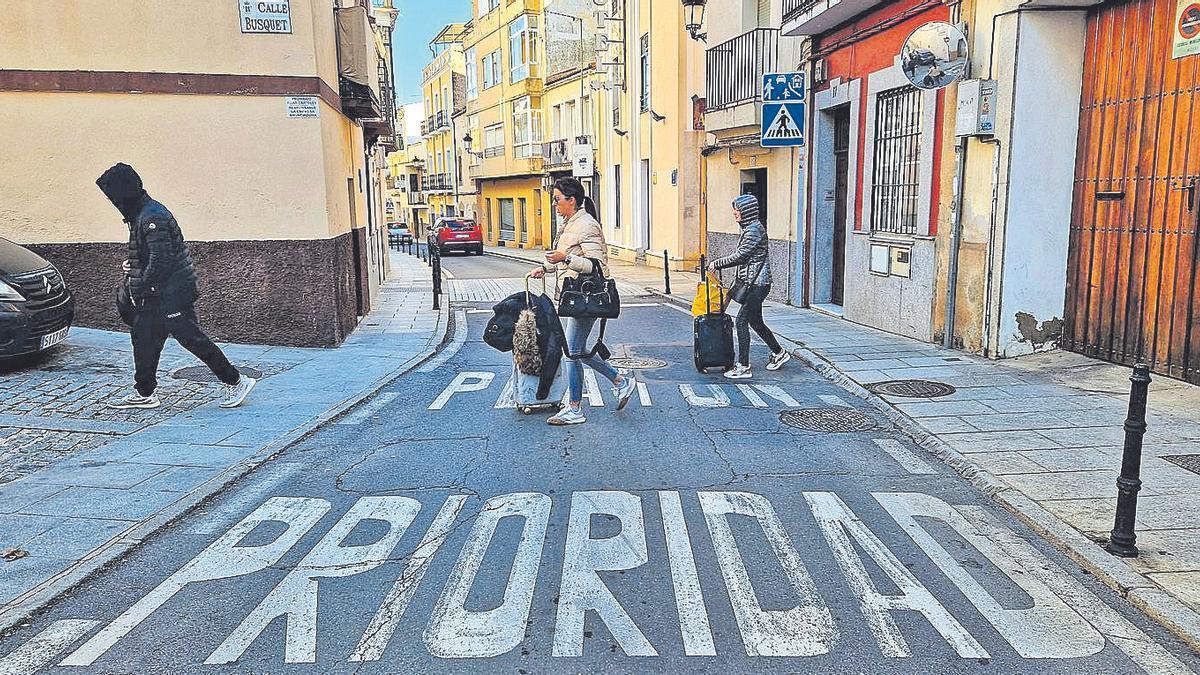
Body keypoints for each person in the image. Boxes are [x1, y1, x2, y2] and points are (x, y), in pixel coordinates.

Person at [96, 163, 256, 410]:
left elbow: (162, 261)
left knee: (192, 338)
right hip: (157, 293)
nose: (111, 201)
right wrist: (134, 266)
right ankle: (145, 392)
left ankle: (236, 381)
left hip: (171, 293)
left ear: (122, 192)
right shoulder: (142, 213)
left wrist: (139, 283)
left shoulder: (152, 217)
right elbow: (153, 256)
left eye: (112, 195)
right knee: (143, 337)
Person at [532, 177, 635, 425]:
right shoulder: (571, 223)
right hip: (576, 297)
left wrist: (565, 258)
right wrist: (545, 268)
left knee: (572, 352)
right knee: (575, 351)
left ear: (572, 200)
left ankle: (576, 408)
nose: (555, 204)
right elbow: (567, 257)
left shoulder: (587, 225)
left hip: (586, 298)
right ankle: (620, 382)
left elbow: (595, 265)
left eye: (557, 199)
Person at [710, 193, 791, 379]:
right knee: (756, 321)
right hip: (755, 283)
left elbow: (741, 256)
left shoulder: (753, 230)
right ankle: (779, 353)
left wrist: (717, 263)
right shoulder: (750, 228)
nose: (734, 213)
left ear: (746, 211)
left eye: (737, 209)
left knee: (741, 321)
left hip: (758, 284)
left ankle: (743, 366)